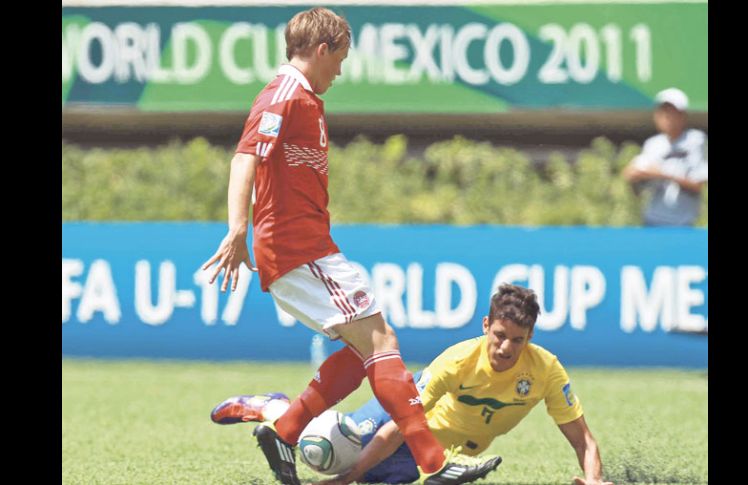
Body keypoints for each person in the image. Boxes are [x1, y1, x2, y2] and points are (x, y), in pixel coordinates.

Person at [201, 7, 500, 485]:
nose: (339, 71)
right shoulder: (284, 94)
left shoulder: (305, 99)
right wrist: (238, 228)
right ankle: (434, 464)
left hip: (310, 246)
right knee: (382, 341)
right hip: (300, 250)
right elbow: (244, 157)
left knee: (368, 353)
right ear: (322, 50)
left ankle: (287, 427)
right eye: (339, 59)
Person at [213, 284, 613, 485]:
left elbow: (584, 441)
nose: (507, 348)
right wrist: (345, 478)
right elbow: (397, 425)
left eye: (518, 340)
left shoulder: (545, 371)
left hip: (434, 449)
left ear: (531, 337)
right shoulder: (457, 361)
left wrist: (593, 480)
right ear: (486, 326)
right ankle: (274, 407)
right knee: (327, 452)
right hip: (405, 414)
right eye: (500, 335)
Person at [622, 87, 708, 226]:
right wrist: (634, 178)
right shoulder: (652, 144)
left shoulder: (695, 141)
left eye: (671, 112)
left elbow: (697, 185)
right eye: (662, 112)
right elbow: (638, 192)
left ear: (682, 115)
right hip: (652, 222)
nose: (666, 117)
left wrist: (662, 174)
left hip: (683, 223)